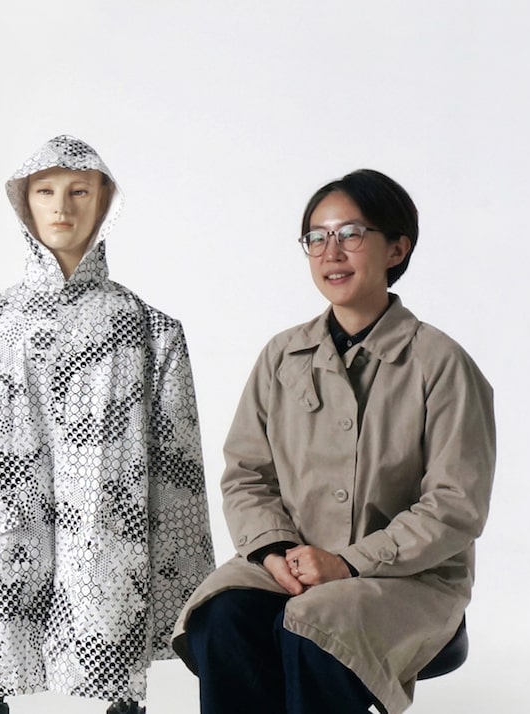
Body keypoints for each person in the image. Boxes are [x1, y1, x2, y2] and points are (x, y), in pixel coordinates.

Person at [0, 135, 215, 714]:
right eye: (44, 191)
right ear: (23, 202)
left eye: (79, 191)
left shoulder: (151, 333)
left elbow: (179, 483)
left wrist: (185, 608)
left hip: (109, 549)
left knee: (116, 683)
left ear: (105, 201)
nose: (61, 207)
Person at [171, 169, 496, 714]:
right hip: (291, 566)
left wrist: (347, 562)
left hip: (407, 577)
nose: (331, 252)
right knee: (220, 616)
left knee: (318, 630)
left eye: (351, 234)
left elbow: (455, 507)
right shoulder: (282, 355)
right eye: (317, 238)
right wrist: (273, 551)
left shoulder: (441, 364)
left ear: (397, 248)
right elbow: (247, 474)